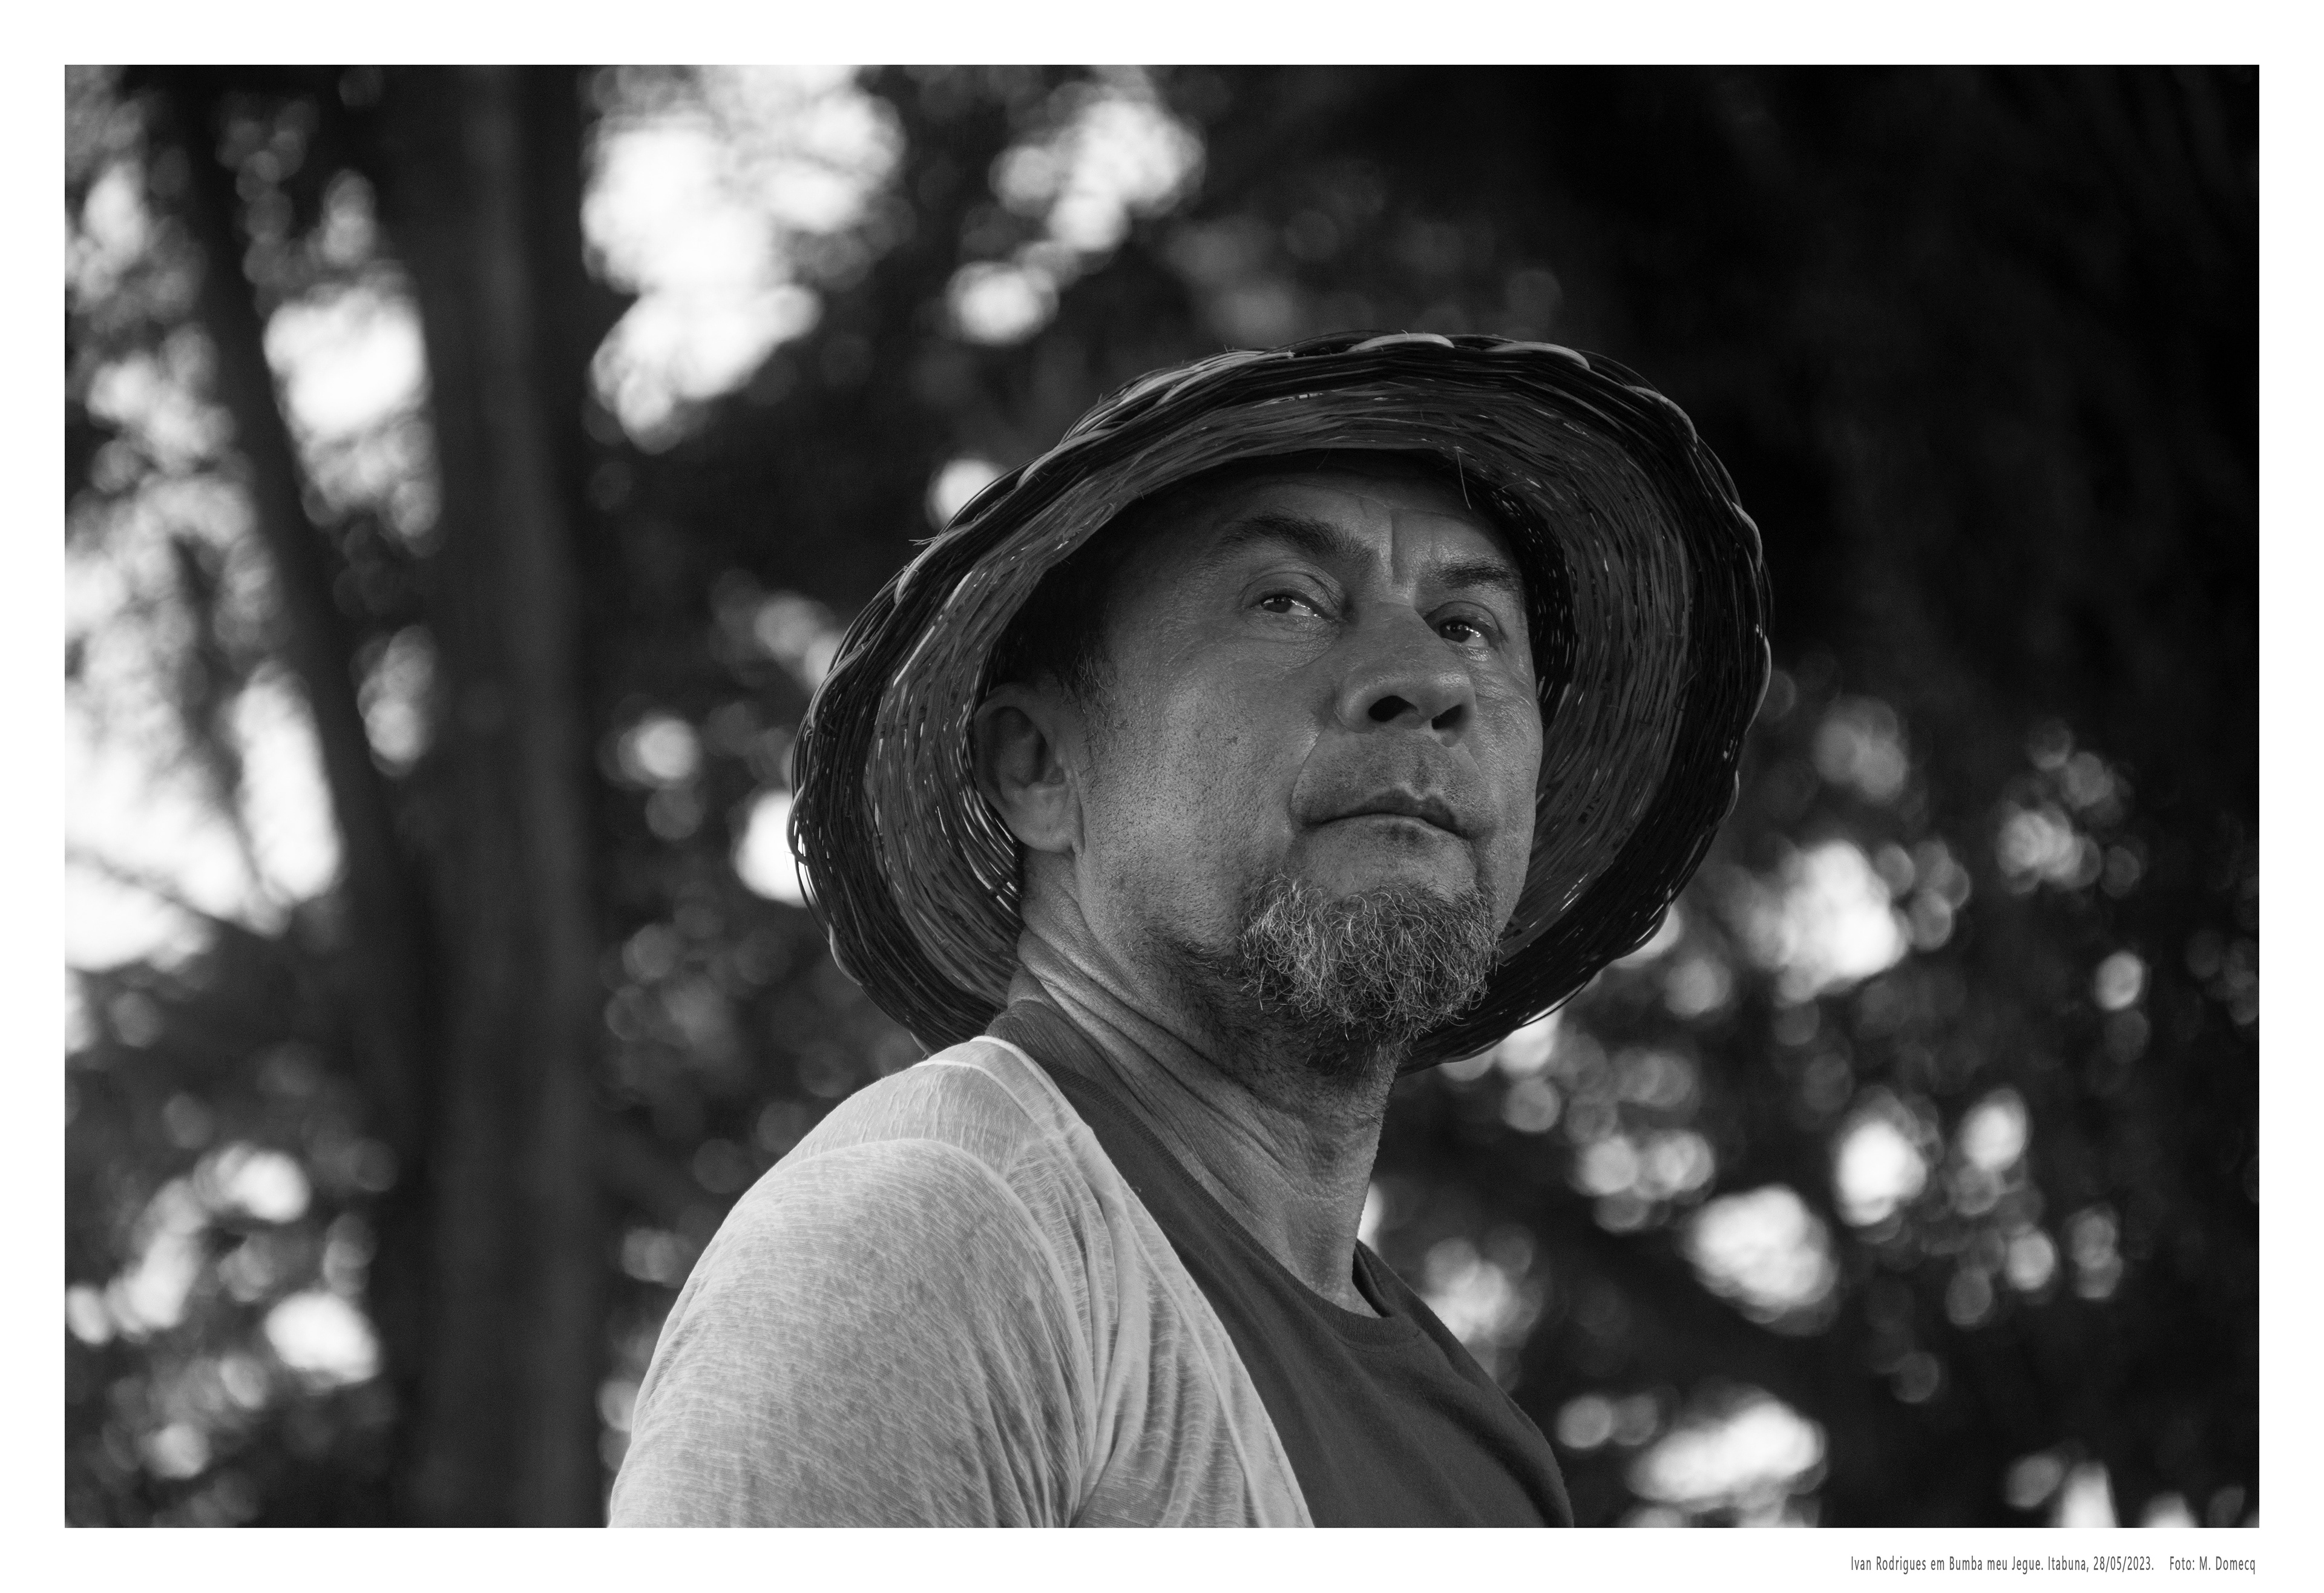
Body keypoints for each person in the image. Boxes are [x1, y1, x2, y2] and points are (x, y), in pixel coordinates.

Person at [609, 332, 1771, 1527]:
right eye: (1286, 600)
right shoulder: (935, 1230)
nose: (1428, 678)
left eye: (1470, 623)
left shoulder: (1486, 1456)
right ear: (1039, 765)